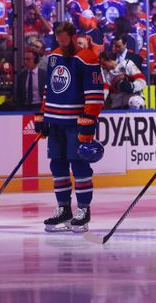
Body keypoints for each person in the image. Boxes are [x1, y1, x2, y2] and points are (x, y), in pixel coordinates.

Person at [36, 22, 105, 232]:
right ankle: (63, 208)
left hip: (75, 123)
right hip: (56, 122)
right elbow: (49, 90)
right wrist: (43, 117)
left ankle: (83, 210)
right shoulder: (54, 57)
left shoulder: (88, 58)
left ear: (73, 36)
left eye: (64, 38)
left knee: (80, 166)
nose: (60, 42)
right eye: (58, 38)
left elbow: (95, 95)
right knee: (57, 166)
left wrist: (87, 123)